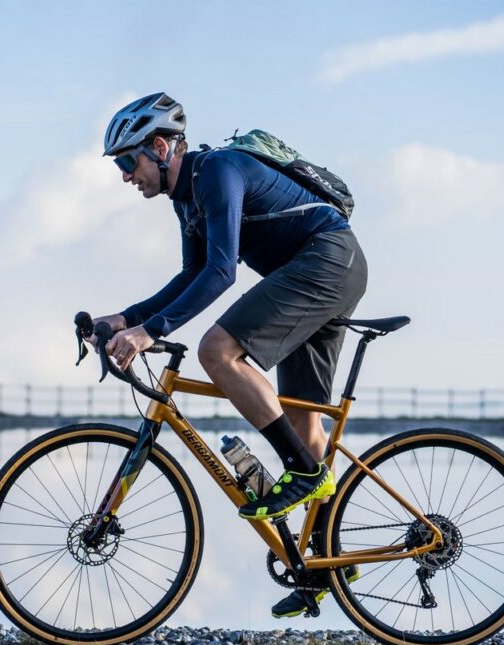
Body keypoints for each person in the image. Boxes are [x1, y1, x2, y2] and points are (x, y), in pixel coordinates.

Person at [95, 92, 368, 618]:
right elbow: (191, 275)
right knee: (303, 422)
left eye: (127, 162)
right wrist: (126, 319)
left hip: (327, 260)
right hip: (322, 269)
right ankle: (328, 560)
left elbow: (222, 273)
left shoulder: (217, 172)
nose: (126, 176)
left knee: (217, 351)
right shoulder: (187, 198)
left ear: (160, 148)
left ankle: (304, 473)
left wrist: (151, 333)